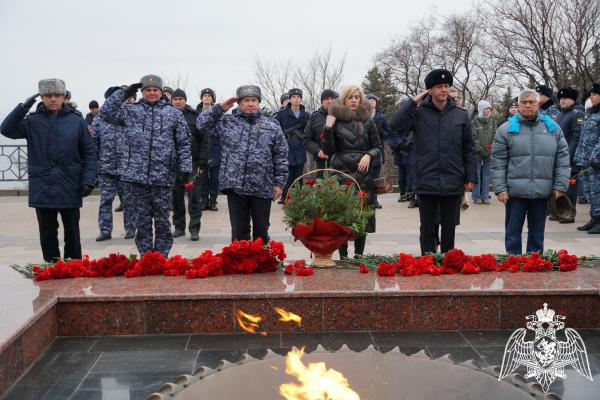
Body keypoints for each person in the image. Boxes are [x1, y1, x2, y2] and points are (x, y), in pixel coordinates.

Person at [1, 79, 96, 262]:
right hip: (43, 184)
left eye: (57, 95)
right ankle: (52, 267)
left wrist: (88, 180)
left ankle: (73, 266)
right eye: (48, 95)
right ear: (42, 97)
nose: (53, 99)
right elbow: (6, 130)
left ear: (64, 97)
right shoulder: (32, 121)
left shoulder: (76, 121)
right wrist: (23, 107)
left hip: (70, 183)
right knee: (47, 231)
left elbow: (89, 152)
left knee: (72, 231)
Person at [99, 74, 192, 257]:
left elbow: (183, 142)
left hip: (163, 175)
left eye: (155, 90)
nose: (151, 93)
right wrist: (123, 93)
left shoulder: (173, 113)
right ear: (142, 92)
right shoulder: (130, 111)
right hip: (136, 175)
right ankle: (146, 256)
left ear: (161, 92)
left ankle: (162, 255)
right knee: (141, 220)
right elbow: (106, 113)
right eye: (148, 90)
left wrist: (185, 168)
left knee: (162, 220)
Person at [391, 69, 476, 255]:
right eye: (439, 87)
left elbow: (468, 147)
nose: (444, 90)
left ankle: (448, 260)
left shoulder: (460, 114)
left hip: (453, 176)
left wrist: (471, 175)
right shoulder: (419, 112)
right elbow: (395, 125)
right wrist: (413, 102)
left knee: (449, 226)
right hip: (426, 176)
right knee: (427, 226)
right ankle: (427, 262)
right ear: (430, 90)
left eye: (446, 86)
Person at [196, 85, 288, 242]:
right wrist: (220, 108)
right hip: (235, 186)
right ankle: (239, 264)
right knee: (239, 232)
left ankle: (262, 262)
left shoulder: (271, 125)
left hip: (263, 185)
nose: (250, 104)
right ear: (239, 103)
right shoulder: (227, 122)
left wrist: (279, 183)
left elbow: (281, 155)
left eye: (254, 100)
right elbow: (201, 125)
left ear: (258, 102)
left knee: (261, 230)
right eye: (246, 100)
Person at [491, 88, 570, 254]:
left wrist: (560, 185)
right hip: (514, 192)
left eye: (531, 102)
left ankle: (534, 262)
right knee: (513, 231)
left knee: (537, 232)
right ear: (518, 105)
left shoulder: (553, 129)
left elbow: (562, 159)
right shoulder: (505, 130)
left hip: (543, 191)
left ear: (538, 104)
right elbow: (498, 161)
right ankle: (514, 261)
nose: (528, 106)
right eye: (524, 102)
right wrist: (500, 188)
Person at [322, 85, 381, 258]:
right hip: (341, 172)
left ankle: (359, 255)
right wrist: (328, 128)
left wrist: (369, 155)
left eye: (357, 97)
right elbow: (328, 150)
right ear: (344, 100)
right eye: (350, 97)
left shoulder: (369, 121)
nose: (354, 100)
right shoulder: (335, 120)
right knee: (342, 215)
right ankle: (343, 256)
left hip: (363, 173)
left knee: (362, 214)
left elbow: (377, 146)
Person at [93, 86, 136, 241]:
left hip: (127, 167)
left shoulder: (129, 115)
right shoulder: (99, 119)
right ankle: (105, 230)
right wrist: (94, 167)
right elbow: (94, 144)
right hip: (106, 168)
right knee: (105, 201)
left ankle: (131, 228)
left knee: (129, 201)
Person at [171, 89, 208, 241]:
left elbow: (205, 140)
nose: (178, 101)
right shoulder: (166, 115)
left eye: (181, 99)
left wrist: (202, 162)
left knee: (194, 198)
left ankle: (194, 229)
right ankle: (179, 227)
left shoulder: (194, 116)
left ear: (185, 100)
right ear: (172, 100)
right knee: (176, 197)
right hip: (173, 164)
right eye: (175, 99)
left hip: (193, 163)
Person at [275, 88, 310, 204]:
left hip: (300, 147)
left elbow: (310, 131)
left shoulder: (306, 115)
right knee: (287, 173)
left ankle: (298, 196)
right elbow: (275, 130)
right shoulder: (282, 115)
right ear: (290, 99)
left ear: (301, 99)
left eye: (298, 97)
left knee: (299, 174)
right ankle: (285, 196)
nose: (296, 99)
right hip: (287, 147)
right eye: (294, 97)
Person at [555, 87, 584, 223]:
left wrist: (569, 155)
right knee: (560, 184)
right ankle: (558, 211)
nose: (562, 101)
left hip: (570, 157)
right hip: (559, 155)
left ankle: (569, 213)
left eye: (565, 98)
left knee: (570, 186)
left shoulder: (576, 114)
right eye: (560, 98)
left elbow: (576, 137)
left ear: (572, 99)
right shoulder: (562, 114)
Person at [574, 83, 600, 234]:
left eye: (595, 94)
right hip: (586, 160)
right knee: (589, 191)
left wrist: (596, 157)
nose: (591, 97)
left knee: (598, 191)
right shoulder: (590, 113)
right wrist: (578, 157)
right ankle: (594, 217)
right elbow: (582, 137)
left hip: (596, 161)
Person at [303, 89, 338, 178]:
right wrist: (318, 151)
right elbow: (307, 139)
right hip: (322, 162)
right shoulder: (315, 117)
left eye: (332, 98)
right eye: (326, 99)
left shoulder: (342, 115)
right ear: (322, 101)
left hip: (340, 161)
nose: (329, 101)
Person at [196, 88, 220, 211]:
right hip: (202, 149)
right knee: (203, 177)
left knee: (215, 177)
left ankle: (213, 201)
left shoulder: (217, 112)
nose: (206, 97)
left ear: (212, 99)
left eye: (209, 95)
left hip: (215, 147)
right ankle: (204, 200)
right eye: (204, 95)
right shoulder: (196, 112)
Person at [366, 94, 391, 209]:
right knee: (365, 177)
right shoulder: (362, 116)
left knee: (375, 176)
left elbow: (389, 133)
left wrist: (381, 132)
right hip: (364, 150)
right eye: (369, 100)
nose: (371, 102)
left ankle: (374, 200)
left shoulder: (382, 117)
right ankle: (366, 199)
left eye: (373, 100)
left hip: (377, 149)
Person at [471, 100, 495, 204]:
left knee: (486, 175)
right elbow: (474, 138)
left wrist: (491, 148)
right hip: (477, 153)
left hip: (488, 153)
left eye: (489, 108)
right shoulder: (474, 122)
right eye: (486, 108)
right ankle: (476, 196)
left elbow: (495, 136)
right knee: (477, 175)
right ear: (481, 109)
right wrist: (480, 150)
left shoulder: (492, 122)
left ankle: (485, 195)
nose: (488, 111)